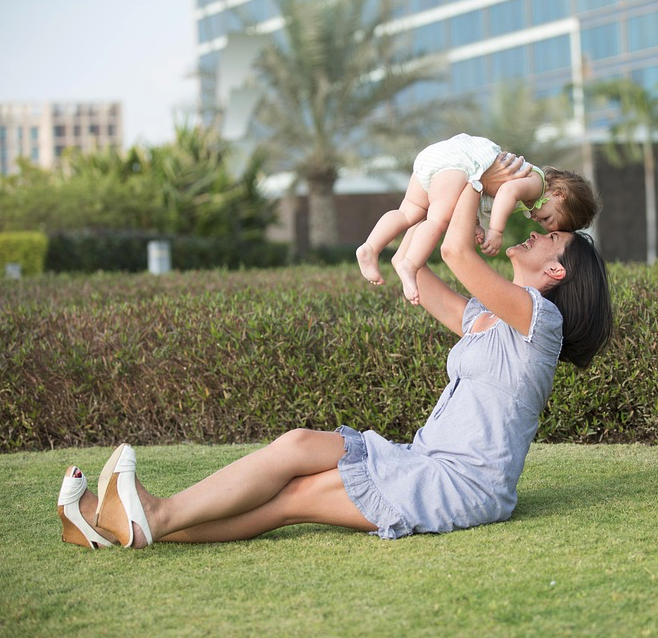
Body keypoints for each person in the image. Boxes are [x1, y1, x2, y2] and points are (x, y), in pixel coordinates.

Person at [55, 153, 613, 549]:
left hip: (461, 485)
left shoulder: (541, 321)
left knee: (298, 496)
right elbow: (422, 270)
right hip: (420, 457)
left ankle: (149, 517)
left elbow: (458, 252)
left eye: (552, 238)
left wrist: (473, 167)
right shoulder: (490, 319)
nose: (538, 232)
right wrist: (418, 216)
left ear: (556, 271)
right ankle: (111, 523)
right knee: (298, 446)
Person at [356, 133, 599, 304]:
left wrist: (475, 224)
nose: (538, 222)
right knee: (438, 220)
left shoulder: (530, 194)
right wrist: (495, 230)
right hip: (460, 163)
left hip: (440, 159)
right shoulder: (536, 184)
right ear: (559, 194)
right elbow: (505, 191)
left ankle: (370, 247)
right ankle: (410, 264)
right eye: (548, 219)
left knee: (409, 212)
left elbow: (479, 193)